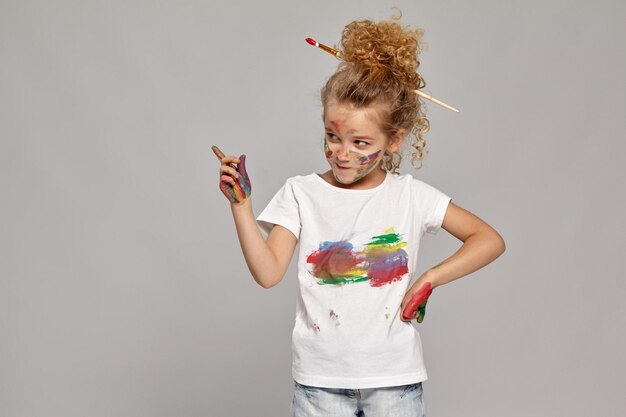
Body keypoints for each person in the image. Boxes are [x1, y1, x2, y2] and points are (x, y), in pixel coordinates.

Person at [213, 18, 505, 417]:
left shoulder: (410, 196)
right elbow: (268, 274)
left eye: (360, 142)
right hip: (318, 385)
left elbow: (488, 239)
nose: (342, 153)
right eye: (333, 137)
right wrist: (241, 206)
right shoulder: (301, 193)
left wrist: (428, 279)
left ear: (394, 140)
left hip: (394, 383)